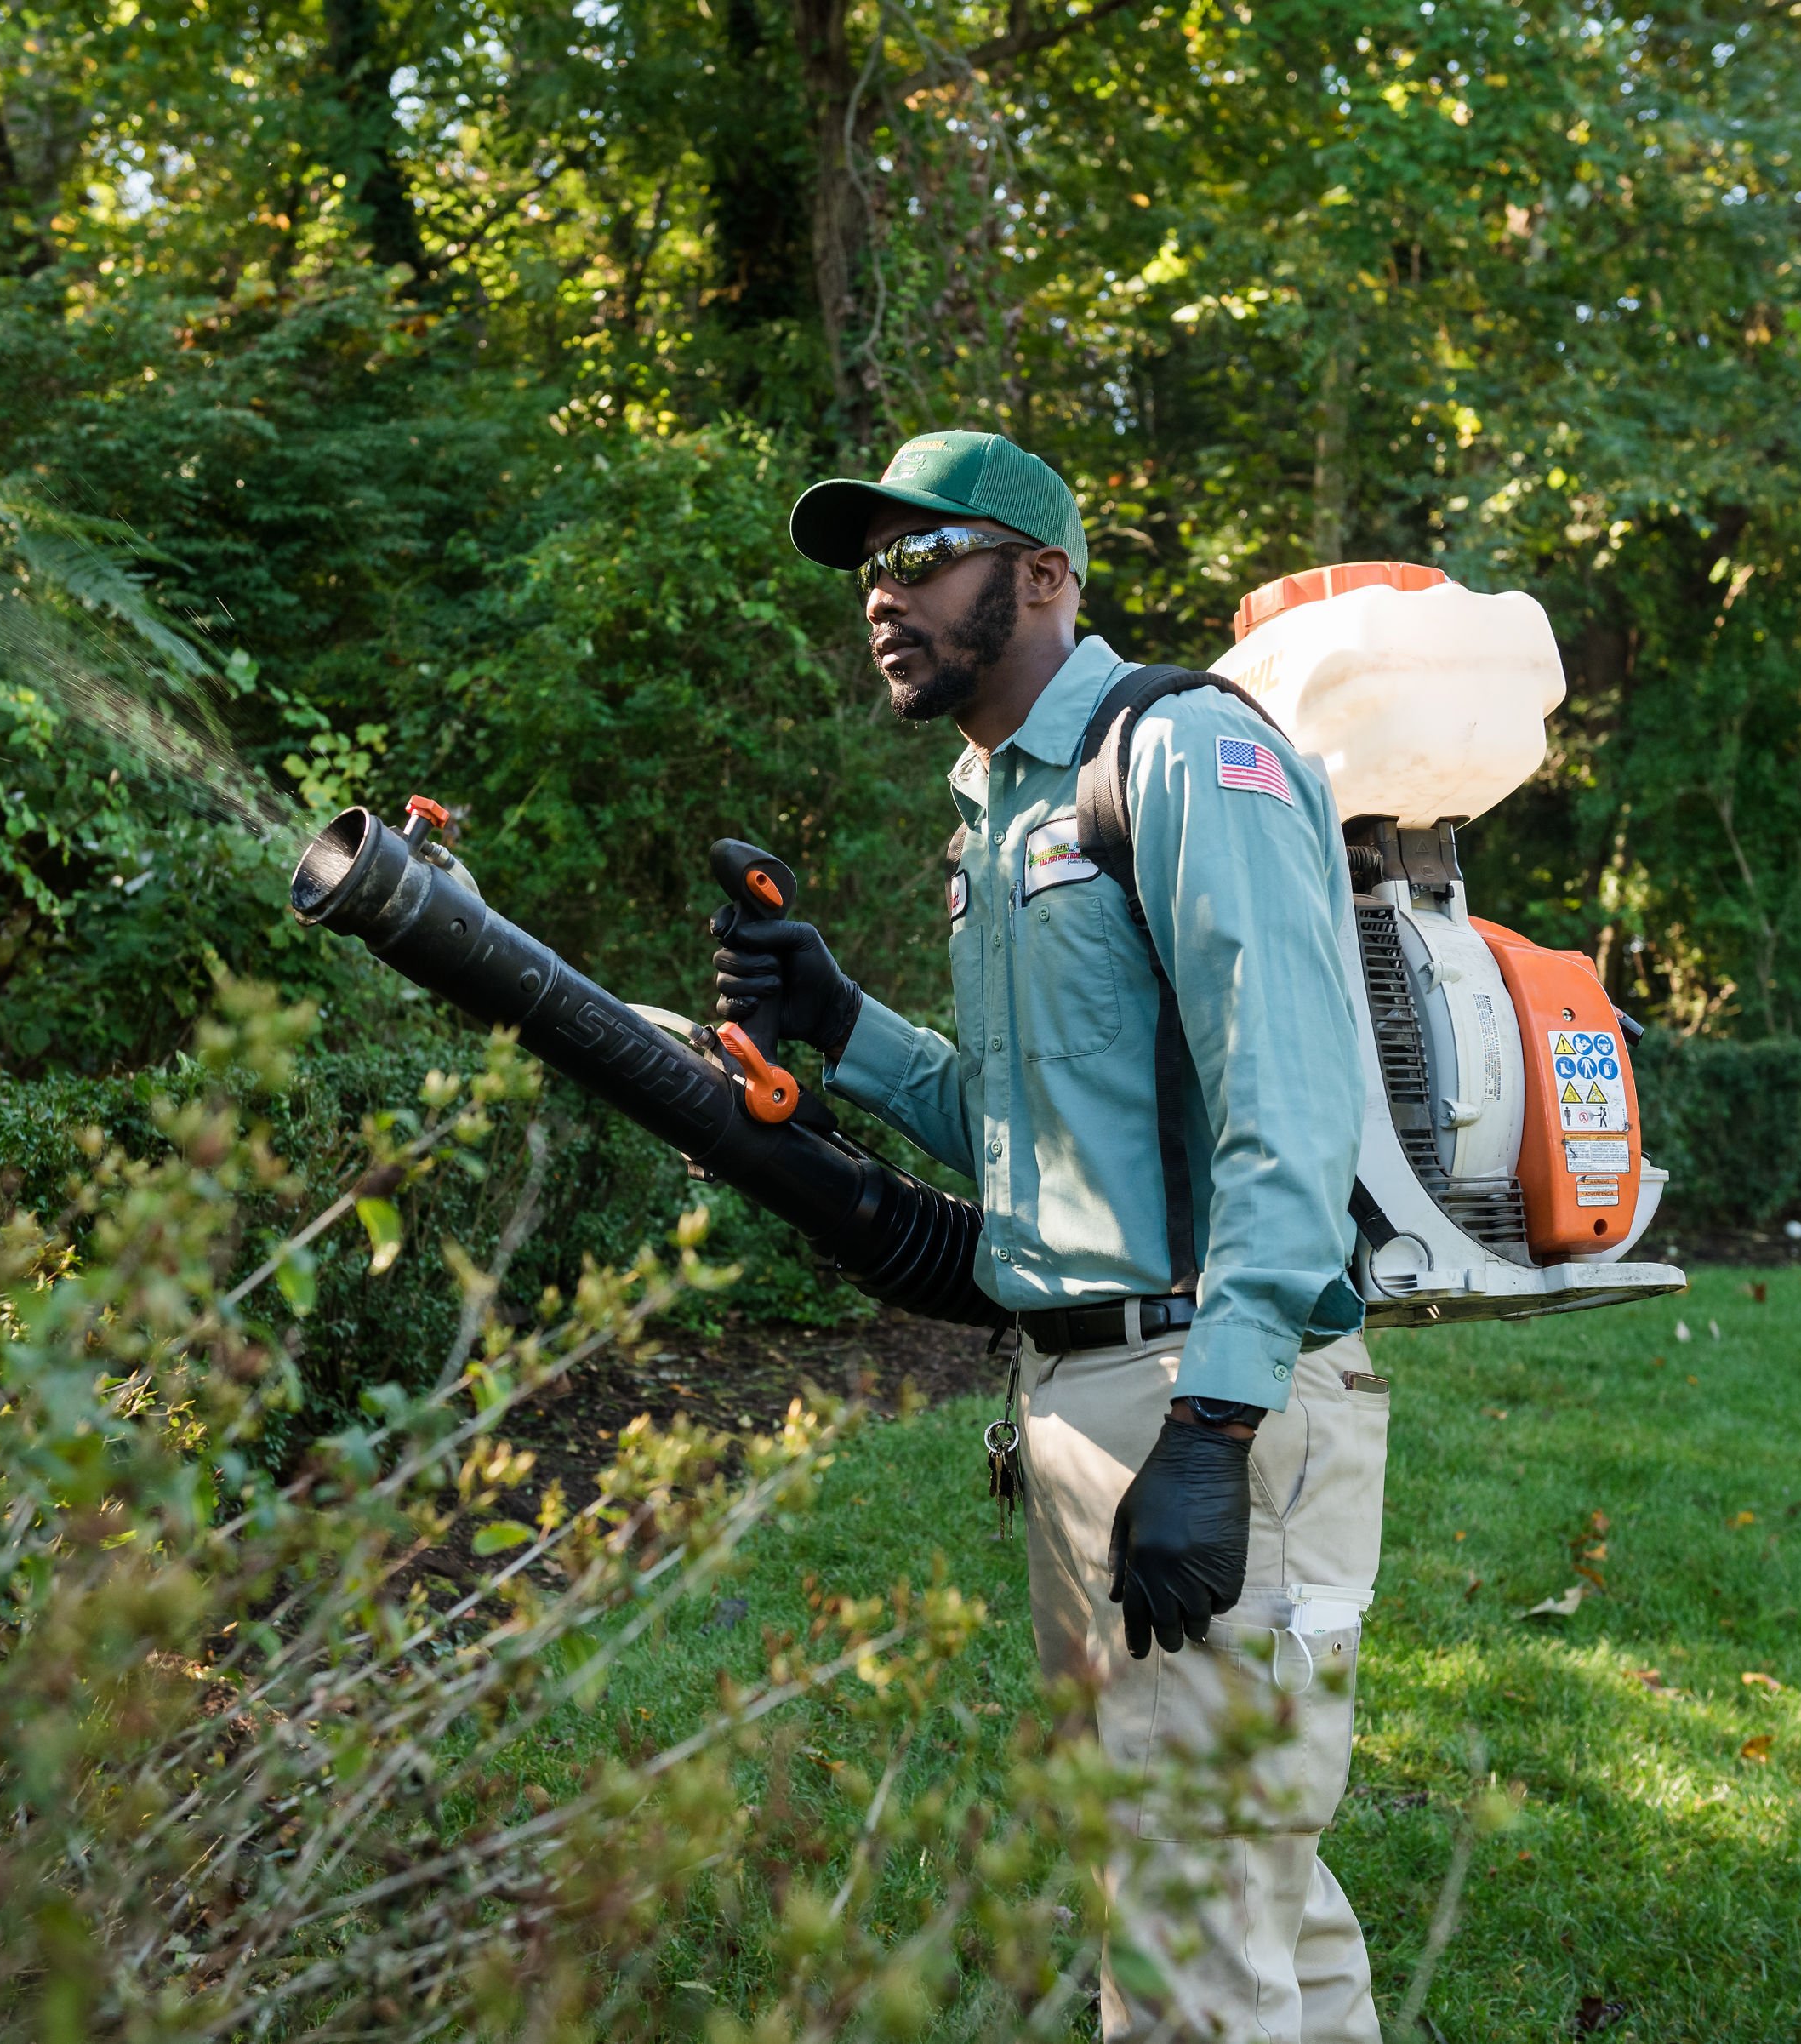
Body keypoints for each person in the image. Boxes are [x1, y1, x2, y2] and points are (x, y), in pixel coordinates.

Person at [715, 430, 1390, 2042]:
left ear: (1039, 574)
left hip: (1205, 1387)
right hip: (1082, 1404)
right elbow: (1026, 1134)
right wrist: (841, 1026)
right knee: (1249, 1900)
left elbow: (1289, 1112)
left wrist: (1217, 1425)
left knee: (1180, 1933)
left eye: (919, 557)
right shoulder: (995, 817)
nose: (884, 599)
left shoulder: (1177, 756)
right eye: (868, 571)